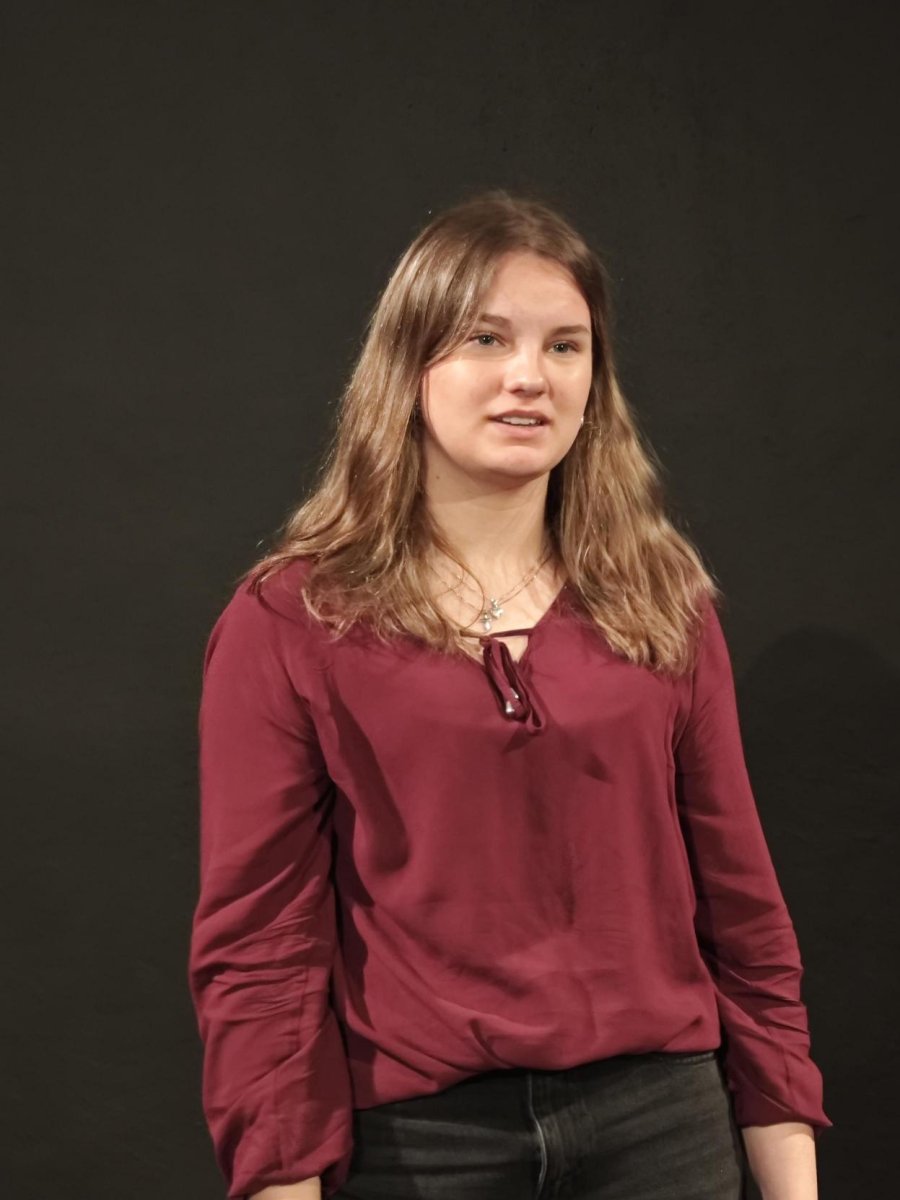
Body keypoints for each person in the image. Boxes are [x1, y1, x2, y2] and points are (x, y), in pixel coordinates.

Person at [188, 189, 831, 1200]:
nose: (529, 376)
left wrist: (790, 1172)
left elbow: (744, 908)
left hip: (661, 1127)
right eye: (486, 339)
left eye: (565, 346)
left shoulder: (662, 602)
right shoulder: (294, 619)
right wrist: (282, 1175)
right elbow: (260, 948)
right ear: (410, 363)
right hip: (421, 1145)